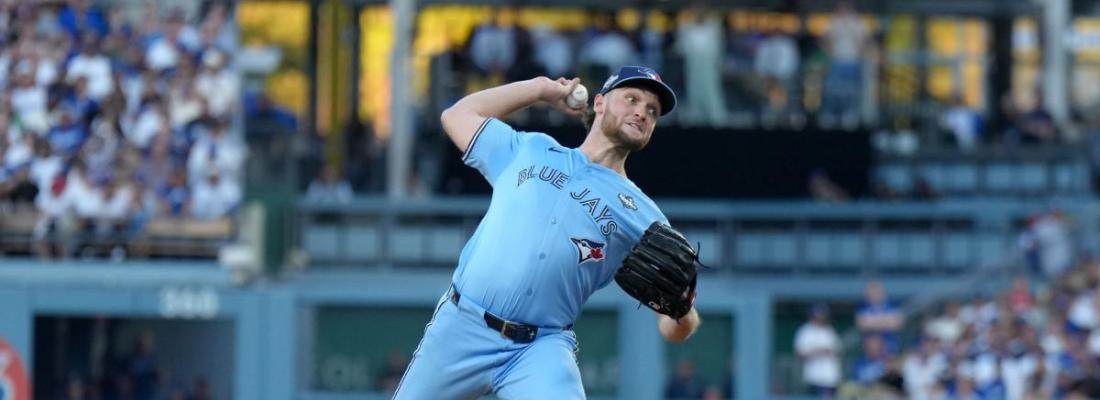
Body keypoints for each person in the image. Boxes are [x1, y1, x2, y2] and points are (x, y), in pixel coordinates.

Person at [394, 65, 700, 399]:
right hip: (462, 326)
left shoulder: (642, 215)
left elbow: (675, 326)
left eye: (652, 111)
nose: (642, 112)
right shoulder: (531, 149)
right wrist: (539, 89)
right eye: (632, 99)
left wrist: (681, 310)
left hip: (540, 349)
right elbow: (457, 115)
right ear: (599, 103)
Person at [795, 303, 841, 398]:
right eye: (819, 315)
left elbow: (837, 350)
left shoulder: (829, 330)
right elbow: (800, 355)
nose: (821, 317)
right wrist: (818, 351)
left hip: (830, 377)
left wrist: (829, 351)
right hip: (814, 377)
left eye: (823, 315)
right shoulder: (805, 331)